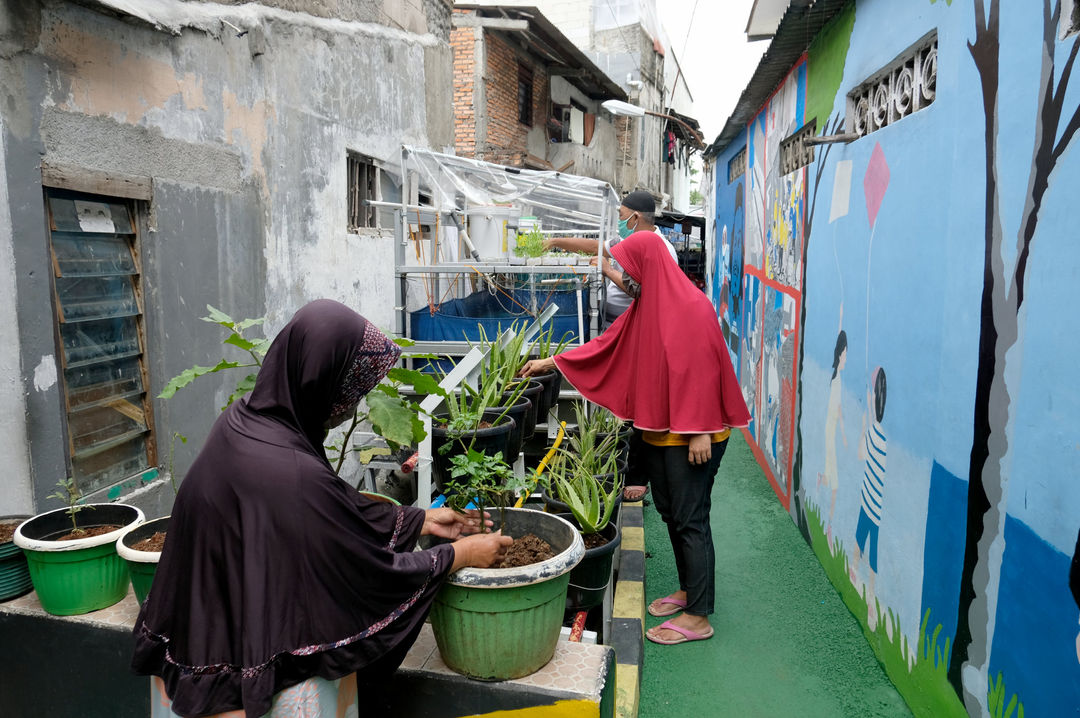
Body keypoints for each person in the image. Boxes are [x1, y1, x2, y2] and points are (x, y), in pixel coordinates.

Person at [132, 299, 512, 718]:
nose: (352, 407)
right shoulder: (290, 474)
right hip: (230, 697)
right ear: (319, 383)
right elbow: (363, 570)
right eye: (348, 393)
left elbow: (329, 510)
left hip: (198, 639)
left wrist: (419, 520)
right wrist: (459, 555)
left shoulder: (245, 422)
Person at [520, 231, 750, 647]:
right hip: (663, 432)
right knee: (671, 514)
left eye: (631, 266)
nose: (627, 275)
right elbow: (608, 345)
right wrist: (551, 362)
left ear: (649, 264)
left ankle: (699, 617)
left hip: (696, 434)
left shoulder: (691, 306)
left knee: (691, 519)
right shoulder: (650, 304)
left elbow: (703, 367)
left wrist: (698, 431)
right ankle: (687, 591)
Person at [544, 190, 678, 502]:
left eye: (621, 215)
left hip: (647, 334)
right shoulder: (628, 241)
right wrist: (555, 242)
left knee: (644, 403)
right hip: (622, 329)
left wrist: (608, 270)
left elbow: (647, 293)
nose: (618, 222)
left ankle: (639, 477)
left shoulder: (662, 250)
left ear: (636, 217)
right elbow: (597, 247)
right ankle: (631, 468)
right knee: (628, 401)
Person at [850, 367, 887, 630]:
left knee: (858, 541)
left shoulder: (873, 433)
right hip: (878, 506)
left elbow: (861, 454)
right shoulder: (883, 437)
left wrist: (863, 426)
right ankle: (872, 600)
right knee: (872, 555)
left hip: (867, 502)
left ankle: (853, 570)